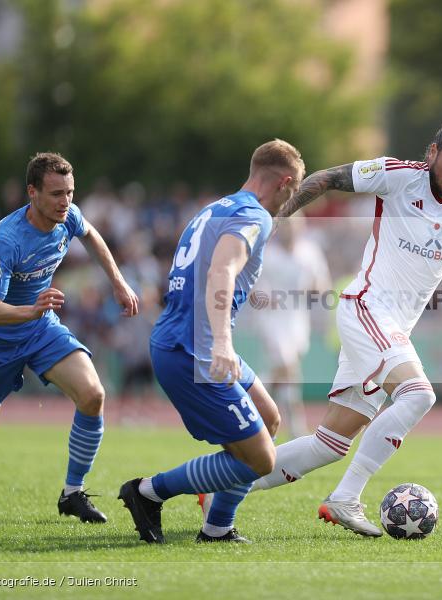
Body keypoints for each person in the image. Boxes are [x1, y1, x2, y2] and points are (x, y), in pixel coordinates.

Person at [249, 114, 442, 537]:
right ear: (432, 152)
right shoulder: (397, 176)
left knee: (328, 445)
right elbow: (326, 178)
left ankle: (221, 488)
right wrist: (274, 218)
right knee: (419, 395)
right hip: (367, 307)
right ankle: (345, 499)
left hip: (390, 324)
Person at [0, 152, 140, 522]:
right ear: (32, 192)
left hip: (40, 328)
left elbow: (91, 236)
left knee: (93, 396)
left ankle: (72, 493)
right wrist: (32, 309)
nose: (66, 202)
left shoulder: (68, 217)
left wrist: (119, 283)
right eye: (57, 193)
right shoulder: (5, 240)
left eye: (70, 193)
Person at [118, 140, 304, 544]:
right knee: (260, 459)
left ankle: (217, 527)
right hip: (194, 350)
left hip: (184, 339)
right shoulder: (256, 216)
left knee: (269, 419)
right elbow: (221, 271)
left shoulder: (217, 207)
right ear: (284, 182)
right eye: (289, 194)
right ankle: (148, 491)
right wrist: (221, 342)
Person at [252, 213, 331, 437]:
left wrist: (316, 289)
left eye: (295, 225)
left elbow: (322, 285)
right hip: (272, 319)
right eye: (286, 225)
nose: (291, 229)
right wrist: (264, 298)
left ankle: (249, 401)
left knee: (283, 376)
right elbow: (253, 291)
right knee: (287, 368)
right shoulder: (268, 254)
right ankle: (296, 428)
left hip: (297, 320)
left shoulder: (310, 252)